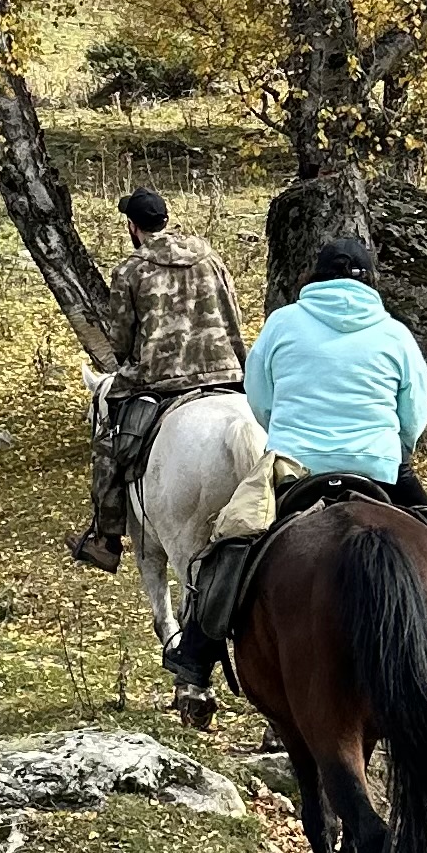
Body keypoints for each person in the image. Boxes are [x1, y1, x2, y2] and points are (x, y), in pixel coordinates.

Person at [163, 234, 427, 691]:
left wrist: (288, 432)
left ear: (315, 277)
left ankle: (196, 653)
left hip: (294, 467)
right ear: (369, 282)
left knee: (231, 543)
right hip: (379, 466)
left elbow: (259, 400)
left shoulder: (282, 325)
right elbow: (416, 415)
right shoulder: (394, 332)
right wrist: (391, 444)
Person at [68, 184, 248, 572]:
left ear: (133, 227)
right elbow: (233, 314)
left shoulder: (130, 271)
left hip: (158, 379)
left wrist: (130, 364)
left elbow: (121, 341)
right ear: (166, 220)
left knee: (106, 434)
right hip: (226, 369)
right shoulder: (210, 257)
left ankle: (106, 536)